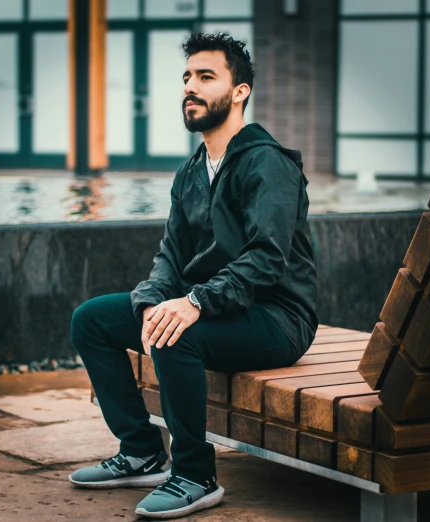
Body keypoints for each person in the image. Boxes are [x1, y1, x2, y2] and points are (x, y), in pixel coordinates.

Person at [69, 32, 318, 519]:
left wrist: (195, 302)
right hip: (216, 305)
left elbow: (267, 258)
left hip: (277, 317)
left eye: (206, 77)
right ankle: (142, 452)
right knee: (92, 320)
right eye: (187, 77)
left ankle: (195, 475)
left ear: (239, 91)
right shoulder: (191, 172)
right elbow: (170, 256)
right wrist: (150, 304)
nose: (191, 87)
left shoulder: (268, 164)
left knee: (174, 336)